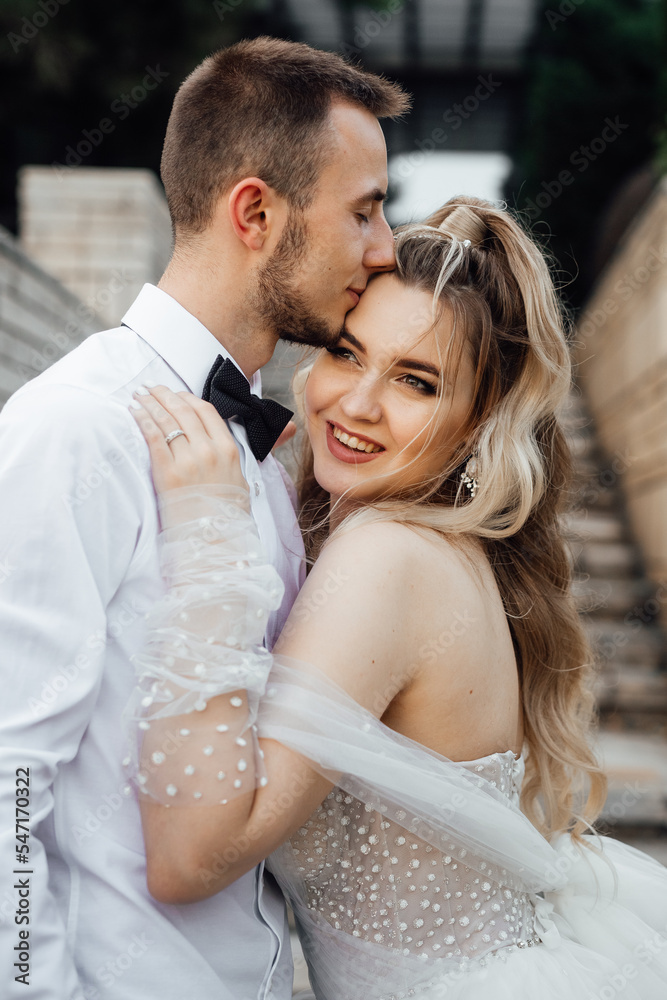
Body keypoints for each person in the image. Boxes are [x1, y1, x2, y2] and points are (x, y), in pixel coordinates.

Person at [126, 196, 667, 1000]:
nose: (356, 404)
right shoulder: (438, 549)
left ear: (478, 424)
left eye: (415, 381)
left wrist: (206, 530)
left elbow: (187, 856)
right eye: (347, 354)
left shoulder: (388, 558)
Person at [0, 37, 409, 1000]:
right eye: (364, 210)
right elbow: (7, 773)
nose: (385, 248)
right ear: (256, 212)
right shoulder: (79, 428)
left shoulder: (264, 461)